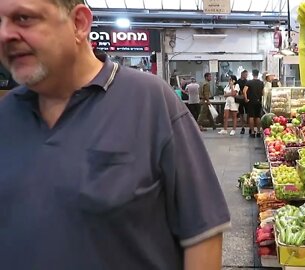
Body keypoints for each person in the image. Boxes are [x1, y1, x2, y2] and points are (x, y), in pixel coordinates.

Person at [0, 1, 230, 270]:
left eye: (24, 18)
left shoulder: (150, 101)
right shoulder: (7, 115)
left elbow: (202, 230)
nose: (5, 34)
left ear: (79, 23)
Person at [243, 69, 264, 138]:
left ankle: (252, 132)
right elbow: (263, 93)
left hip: (251, 101)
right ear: (258, 74)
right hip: (258, 101)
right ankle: (258, 131)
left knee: (251, 116)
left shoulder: (249, 82)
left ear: (252, 74)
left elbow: (244, 91)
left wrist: (246, 99)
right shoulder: (261, 83)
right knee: (258, 117)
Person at [237, 70, 248, 134]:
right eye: (245, 74)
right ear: (242, 74)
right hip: (240, 99)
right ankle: (242, 127)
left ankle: (249, 127)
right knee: (241, 113)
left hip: (246, 99)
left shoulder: (247, 81)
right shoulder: (238, 82)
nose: (246, 76)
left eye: (247, 75)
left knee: (248, 113)